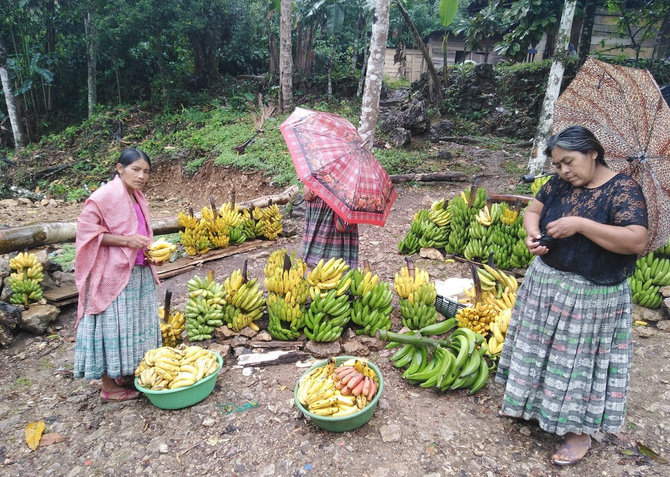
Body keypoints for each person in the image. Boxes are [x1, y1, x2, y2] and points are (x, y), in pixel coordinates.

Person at [495, 126, 648, 465]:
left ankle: (578, 433)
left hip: (592, 296)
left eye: (569, 161)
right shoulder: (559, 185)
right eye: (558, 164)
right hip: (546, 283)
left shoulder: (623, 189)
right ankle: (530, 407)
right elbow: (532, 211)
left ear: (593, 152)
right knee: (538, 350)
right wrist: (532, 234)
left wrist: (580, 224)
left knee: (579, 364)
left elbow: (636, 240)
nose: (564, 170)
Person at [73, 148, 162, 401]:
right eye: (136, 169)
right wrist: (126, 241)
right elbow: (87, 232)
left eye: (146, 171)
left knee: (131, 323)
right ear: (119, 168)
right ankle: (109, 388)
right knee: (110, 324)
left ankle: (121, 373)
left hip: (136, 268)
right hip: (111, 272)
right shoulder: (104, 197)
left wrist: (148, 251)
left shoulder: (137, 197)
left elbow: (139, 233)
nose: (142, 175)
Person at [302, 184, 359, 269]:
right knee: (312, 263)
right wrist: (307, 184)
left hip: (342, 202)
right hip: (319, 204)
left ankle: (339, 277)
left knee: (340, 264)